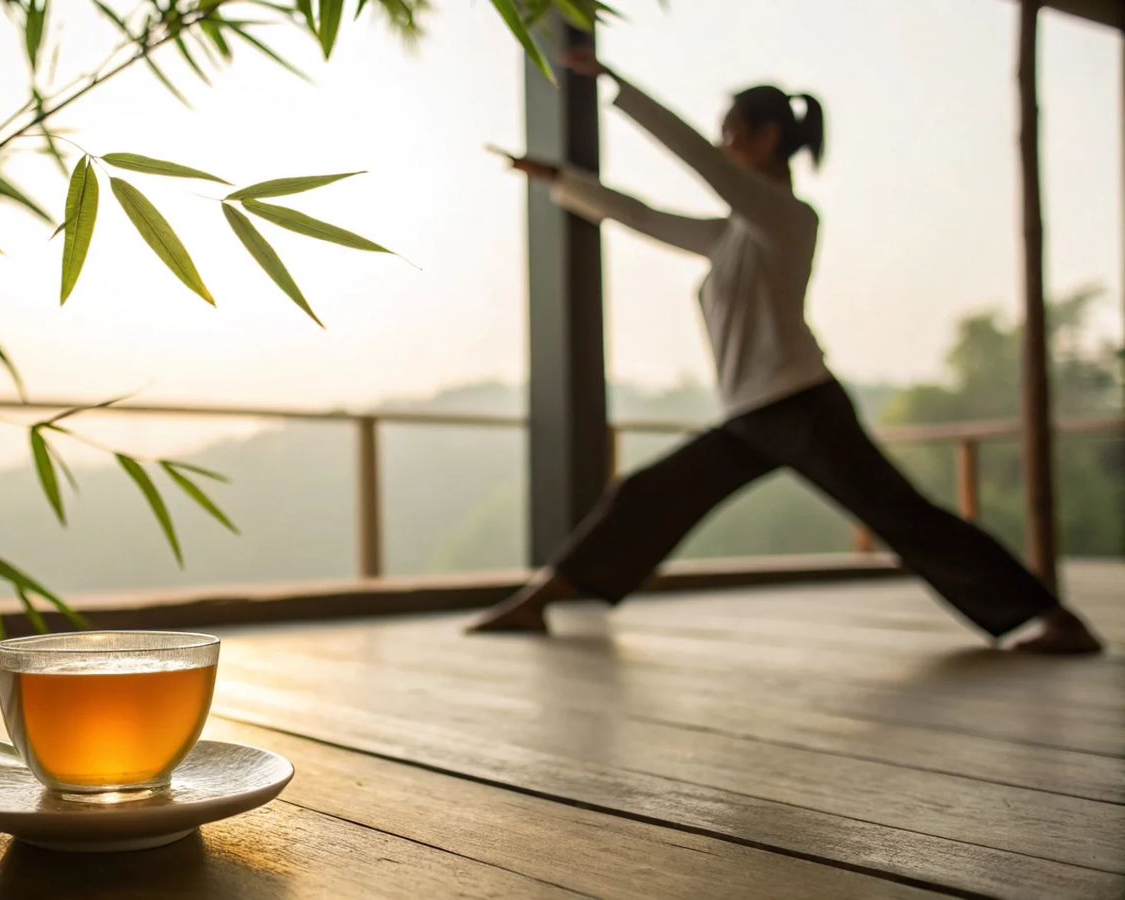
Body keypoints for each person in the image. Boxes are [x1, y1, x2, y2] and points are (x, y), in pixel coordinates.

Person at [470, 49, 1103, 654]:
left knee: (906, 518)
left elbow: (702, 164)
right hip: (753, 416)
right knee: (646, 494)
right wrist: (557, 178)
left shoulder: (787, 218)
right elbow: (642, 215)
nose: (723, 145)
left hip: (802, 408)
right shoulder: (735, 235)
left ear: (767, 137)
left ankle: (1055, 618)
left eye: (731, 131)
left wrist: (617, 84)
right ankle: (539, 599)